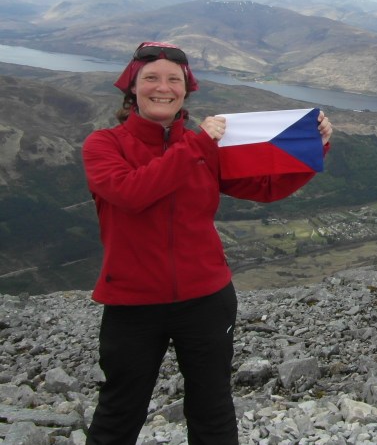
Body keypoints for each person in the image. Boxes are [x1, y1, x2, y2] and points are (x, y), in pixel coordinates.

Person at [81, 41, 332, 445]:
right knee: (120, 409)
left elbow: (264, 187)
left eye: (173, 80)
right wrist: (196, 145)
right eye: (151, 78)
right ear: (132, 89)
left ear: (185, 90)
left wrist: (313, 147)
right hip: (132, 302)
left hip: (206, 298)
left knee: (212, 407)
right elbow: (131, 193)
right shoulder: (105, 144)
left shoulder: (206, 146)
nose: (163, 87)